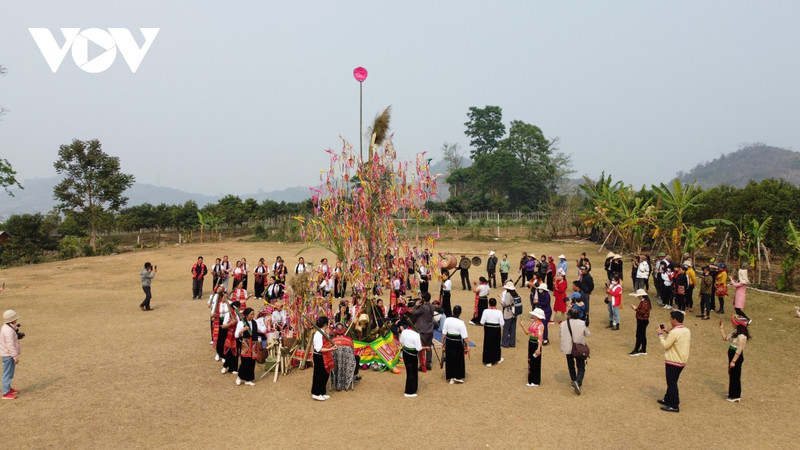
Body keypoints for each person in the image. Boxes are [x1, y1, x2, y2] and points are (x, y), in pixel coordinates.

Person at [657, 310, 691, 413]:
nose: (670, 320)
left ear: (675, 320)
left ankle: (674, 405)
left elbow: (666, 345)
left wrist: (660, 335)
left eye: (671, 319)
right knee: (672, 381)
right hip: (681, 360)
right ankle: (667, 399)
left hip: (673, 361)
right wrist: (668, 332)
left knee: (671, 383)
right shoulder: (686, 330)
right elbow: (677, 339)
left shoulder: (675, 332)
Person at [719, 315, 750, 402]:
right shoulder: (735, 332)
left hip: (736, 357)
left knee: (735, 375)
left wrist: (733, 361)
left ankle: (735, 395)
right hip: (732, 354)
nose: (733, 325)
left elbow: (739, 350)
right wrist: (721, 328)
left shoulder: (742, 336)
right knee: (732, 374)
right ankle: (732, 392)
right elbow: (725, 338)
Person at [560, 308, 590, 395]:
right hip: (579, 347)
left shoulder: (563, 324)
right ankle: (578, 381)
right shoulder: (581, 323)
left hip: (568, 347)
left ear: (569, 315)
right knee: (581, 366)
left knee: (571, 365)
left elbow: (560, 334)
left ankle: (574, 380)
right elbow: (588, 334)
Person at [234, 307, 267, 386]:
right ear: (246, 315)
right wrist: (243, 330)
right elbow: (236, 335)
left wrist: (266, 323)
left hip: (254, 345)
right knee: (245, 362)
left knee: (252, 362)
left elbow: (262, 330)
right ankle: (239, 376)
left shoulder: (255, 322)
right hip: (245, 344)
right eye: (251, 314)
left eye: (253, 314)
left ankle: (248, 379)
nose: (252, 316)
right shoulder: (241, 323)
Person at [311, 317, 338, 401]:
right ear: (325, 324)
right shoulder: (318, 334)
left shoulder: (323, 332)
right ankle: (316, 393)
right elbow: (319, 349)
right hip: (319, 355)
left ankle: (322, 392)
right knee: (319, 375)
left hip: (325, 355)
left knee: (325, 374)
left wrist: (331, 346)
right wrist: (332, 349)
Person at [441, 305, 470, 384]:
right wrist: (468, 345)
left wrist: (442, 342)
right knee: (458, 359)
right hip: (457, 342)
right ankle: (457, 376)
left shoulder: (447, 320)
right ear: (460, 313)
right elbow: (464, 336)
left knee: (450, 358)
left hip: (449, 341)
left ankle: (450, 376)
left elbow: (444, 333)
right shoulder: (461, 322)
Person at [399, 325, 428, 397]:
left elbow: (401, 341)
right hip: (412, 354)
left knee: (409, 371)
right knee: (412, 372)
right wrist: (426, 348)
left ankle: (410, 389)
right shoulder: (416, 335)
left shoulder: (404, 332)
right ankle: (409, 391)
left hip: (405, 353)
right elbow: (418, 348)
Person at [520, 308, 545, 386]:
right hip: (531, 342)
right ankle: (531, 379)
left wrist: (538, 349)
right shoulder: (533, 323)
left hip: (535, 343)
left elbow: (540, 338)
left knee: (536, 362)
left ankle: (535, 381)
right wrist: (522, 326)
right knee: (531, 361)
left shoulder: (541, 325)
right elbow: (527, 332)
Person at [410, 292, 434, 371]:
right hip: (430, 329)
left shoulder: (423, 307)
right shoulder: (431, 306)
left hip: (423, 329)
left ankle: (422, 364)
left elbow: (414, 313)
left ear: (423, 299)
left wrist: (416, 305)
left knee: (422, 347)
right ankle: (428, 363)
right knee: (429, 346)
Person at [1, 310, 21, 400]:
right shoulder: (8, 331)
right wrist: (14, 356)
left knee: (9, 372)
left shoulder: (6, 327)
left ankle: (8, 389)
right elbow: (10, 345)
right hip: (8, 354)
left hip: (7, 353)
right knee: (7, 373)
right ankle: (5, 393)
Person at [480, 298, 505, 367]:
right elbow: (502, 323)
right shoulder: (499, 312)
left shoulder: (485, 311)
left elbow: (482, 322)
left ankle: (488, 361)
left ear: (489, 304)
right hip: (496, 330)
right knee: (496, 344)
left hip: (488, 329)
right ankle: (497, 358)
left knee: (487, 344)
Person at [629, 289, 651, 356]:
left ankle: (636, 350)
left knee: (639, 335)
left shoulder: (645, 303)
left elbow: (642, 311)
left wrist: (635, 308)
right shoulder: (645, 301)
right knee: (642, 335)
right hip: (643, 320)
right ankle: (643, 349)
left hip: (642, 320)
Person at [500, 281, 519, 348]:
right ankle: (512, 343)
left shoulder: (508, 294)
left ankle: (505, 343)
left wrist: (502, 303)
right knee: (513, 329)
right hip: (515, 313)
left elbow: (506, 303)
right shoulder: (515, 293)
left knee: (506, 328)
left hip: (508, 312)